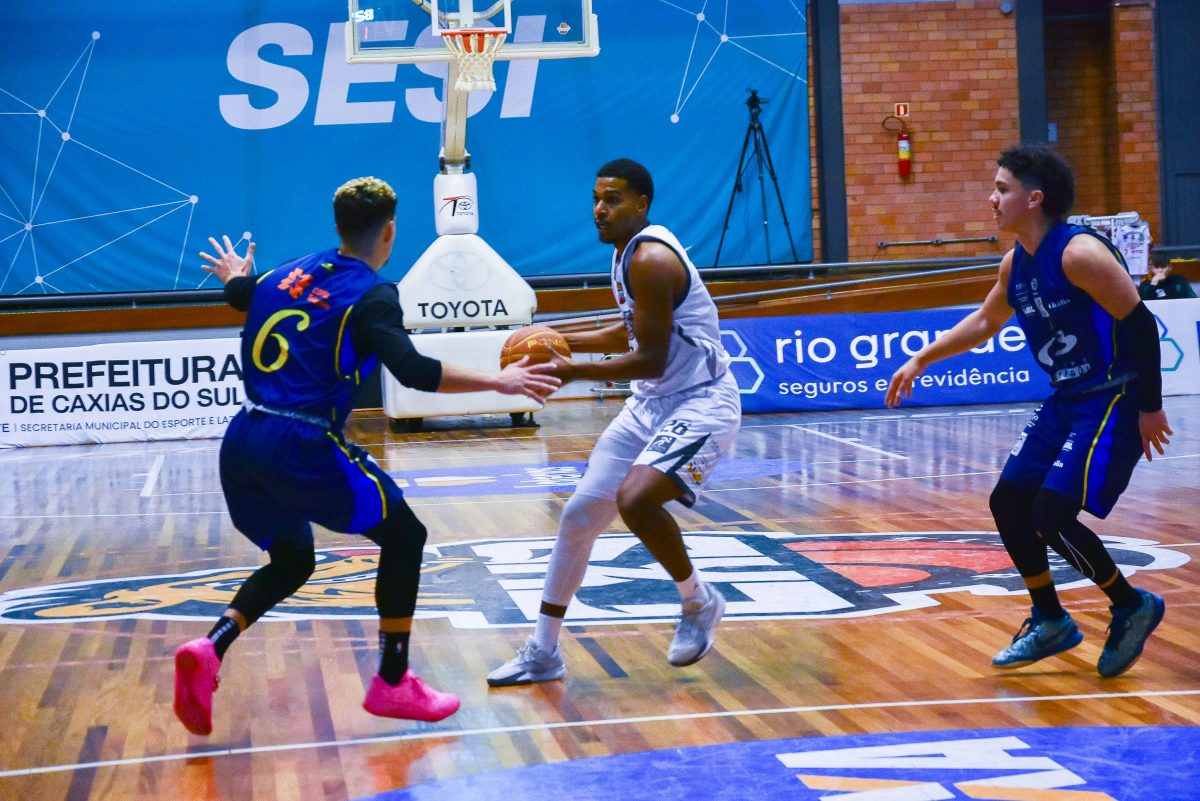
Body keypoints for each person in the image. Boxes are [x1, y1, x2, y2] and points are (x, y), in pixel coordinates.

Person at [172, 177, 560, 735]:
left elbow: (242, 295)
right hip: (300, 442)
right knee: (406, 537)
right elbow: (414, 370)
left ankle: (212, 647)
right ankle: (393, 681)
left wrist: (236, 275)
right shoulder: (373, 294)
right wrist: (498, 382)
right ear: (390, 232)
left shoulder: (285, 274)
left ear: (338, 226)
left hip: (243, 441)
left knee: (292, 561)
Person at [885, 144, 1172, 678]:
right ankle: (1050, 619)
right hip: (1067, 397)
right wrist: (922, 359)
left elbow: (1140, 324)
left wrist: (1151, 407)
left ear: (1034, 198)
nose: (991, 199)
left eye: (1002, 189)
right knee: (1009, 502)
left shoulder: (1080, 254)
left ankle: (1132, 605)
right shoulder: (1015, 262)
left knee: (1050, 514)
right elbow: (983, 322)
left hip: (1114, 395)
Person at [486, 158, 742, 686]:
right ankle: (543, 651)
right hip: (651, 403)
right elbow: (631, 331)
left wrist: (568, 368)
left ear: (642, 204)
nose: (600, 209)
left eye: (613, 199)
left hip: (700, 401)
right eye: (596, 199)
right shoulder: (625, 253)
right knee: (579, 516)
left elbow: (649, 358)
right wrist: (558, 338)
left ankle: (698, 601)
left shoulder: (651, 259)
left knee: (636, 499)